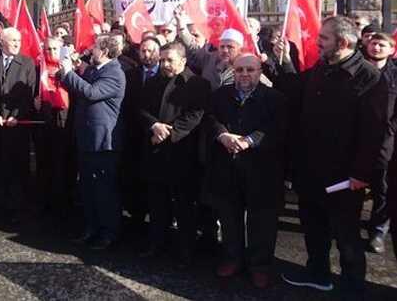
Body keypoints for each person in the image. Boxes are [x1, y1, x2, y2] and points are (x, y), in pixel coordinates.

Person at [282, 17, 390, 300]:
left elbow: (373, 133)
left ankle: (353, 286)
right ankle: (318, 274)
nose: (317, 42)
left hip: (344, 177)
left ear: (342, 43)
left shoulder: (369, 77)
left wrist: (360, 174)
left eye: (324, 38)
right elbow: (295, 91)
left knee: (346, 236)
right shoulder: (321, 67)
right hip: (310, 169)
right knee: (313, 227)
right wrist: (282, 61)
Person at [205, 53, 287, 289]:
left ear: (260, 72)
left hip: (262, 171)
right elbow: (210, 118)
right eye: (240, 70)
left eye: (250, 70)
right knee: (229, 219)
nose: (244, 74)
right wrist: (222, 134)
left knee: (262, 222)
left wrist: (250, 140)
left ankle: (260, 265)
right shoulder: (221, 94)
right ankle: (233, 258)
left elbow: (278, 128)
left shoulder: (275, 98)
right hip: (227, 168)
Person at [138, 43, 210, 264]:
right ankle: (157, 244)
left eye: (169, 60)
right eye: (162, 60)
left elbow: (195, 115)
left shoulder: (198, 84)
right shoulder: (152, 83)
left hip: (183, 153)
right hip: (156, 151)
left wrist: (168, 133)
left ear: (183, 60)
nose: (164, 64)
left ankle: (185, 251)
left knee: (184, 206)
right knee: (157, 204)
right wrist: (153, 126)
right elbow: (140, 109)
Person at [60, 35, 126, 250]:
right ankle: (91, 227)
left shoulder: (115, 73)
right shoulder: (94, 70)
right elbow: (76, 87)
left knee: (104, 189)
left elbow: (91, 92)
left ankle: (109, 232)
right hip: (87, 138)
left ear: (105, 51)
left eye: (95, 47)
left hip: (103, 142)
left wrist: (70, 72)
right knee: (87, 187)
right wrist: (71, 70)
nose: (90, 49)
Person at [0, 27, 36, 223]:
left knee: (17, 168)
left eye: (19, 40)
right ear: (2, 41)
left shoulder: (27, 64)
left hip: (16, 127)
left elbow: (29, 93)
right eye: (13, 40)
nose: (17, 43)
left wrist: (16, 116)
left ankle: (16, 208)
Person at [33, 37, 76, 226]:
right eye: (48, 48)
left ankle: (63, 206)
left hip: (64, 122)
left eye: (55, 48)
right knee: (44, 164)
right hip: (44, 120)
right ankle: (44, 202)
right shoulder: (38, 69)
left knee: (62, 165)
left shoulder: (69, 68)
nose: (51, 52)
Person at [122, 37, 161, 230]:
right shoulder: (131, 74)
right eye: (143, 51)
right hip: (134, 135)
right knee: (135, 179)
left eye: (150, 51)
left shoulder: (164, 74)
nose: (146, 55)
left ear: (158, 52)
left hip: (157, 137)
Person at [363, 32, 396, 253]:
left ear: (391, 49)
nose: (376, 48)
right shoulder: (359, 71)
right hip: (359, 140)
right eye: (373, 43)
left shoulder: (395, 75)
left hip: (387, 142)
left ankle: (378, 231)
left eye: (381, 44)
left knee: (382, 189)